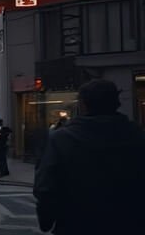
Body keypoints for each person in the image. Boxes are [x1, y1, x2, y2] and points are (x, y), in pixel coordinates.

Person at [34, 79, 145, 234]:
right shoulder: (137, 136)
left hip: (77, 223)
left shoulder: (63, 139)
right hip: (130, 223)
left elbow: (46, 186)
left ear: (83, 104)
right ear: (116, 103)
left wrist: (46, 219)